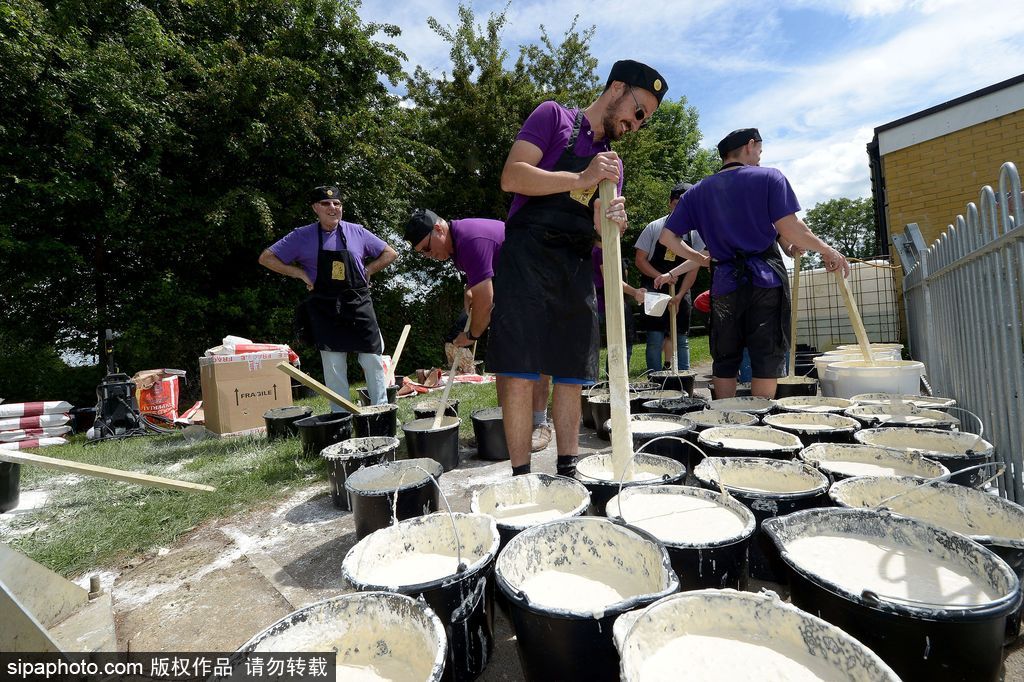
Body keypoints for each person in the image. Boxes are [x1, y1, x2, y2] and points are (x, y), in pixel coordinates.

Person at [489, 59, 668, 477]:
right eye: (638, 112)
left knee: (571, 370)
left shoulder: (612, 166)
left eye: (644, 122)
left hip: (574, 264)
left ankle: (567, 470)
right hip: (527, 258)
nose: (636, 125)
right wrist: (579, 177)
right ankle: (521, 478)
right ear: (617, 88)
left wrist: (613, 221)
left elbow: (600, 229)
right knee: (520, 369)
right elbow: (512, 176)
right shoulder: (553, 117)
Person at [658, 128, 850, 399]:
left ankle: (724, 421)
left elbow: (668, 237)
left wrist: (699, 258)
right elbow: (790, 226)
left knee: (724, 357)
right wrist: (827, 250)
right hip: (765, 282)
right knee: (766, 356)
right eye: (759, 150)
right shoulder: (770, 177)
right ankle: (760, 423)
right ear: (750, 146)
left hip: (725, 283)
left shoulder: (697, 192)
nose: (760, 157)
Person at [404, 209, 554, 452]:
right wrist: (472, 288)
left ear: (439, 229)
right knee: (502, 361)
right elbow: (484, 281)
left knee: (536, 361)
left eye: (427, 248)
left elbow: (485, 302)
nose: (428, 256)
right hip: (516, 287)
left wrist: (471, 335)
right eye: (422, 253)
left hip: (540, 284)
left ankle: (540, 424)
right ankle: (506, 426)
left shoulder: (470, 239)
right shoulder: (458, 245)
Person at [259, 186, 398, 411]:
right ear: (315, 208)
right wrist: (299, 273)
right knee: (334, 365)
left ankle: (380, 411)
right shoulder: (300, 236)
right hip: (324, 306)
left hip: (358, 302)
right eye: (326, 203)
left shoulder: (357, 232)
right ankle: (340, 416)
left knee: (372, 359)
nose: (332, 208)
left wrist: (368, 270)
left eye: (337, 204)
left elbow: (390, 253)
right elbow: (266, 258)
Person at [635, 182, 705, 372]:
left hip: (681, 291)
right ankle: (654, 383)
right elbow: (640, 261)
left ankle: (684, 381)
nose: (681, 208)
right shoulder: (654, 227)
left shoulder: (696, 234)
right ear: (670, 204)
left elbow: (694, 267)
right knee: (655, 339)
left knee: (681, 338)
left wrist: (680, 294)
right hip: (654, 289)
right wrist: (662, 276)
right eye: (677, 203)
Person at [593, 241, 646, 367]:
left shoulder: (599, 250)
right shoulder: (601, 252)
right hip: (607, 305)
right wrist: (635, 292)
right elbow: (611, 279)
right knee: (622, 344)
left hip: (601, 304)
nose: (625, 224)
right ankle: (616, 382)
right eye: (623, 220)